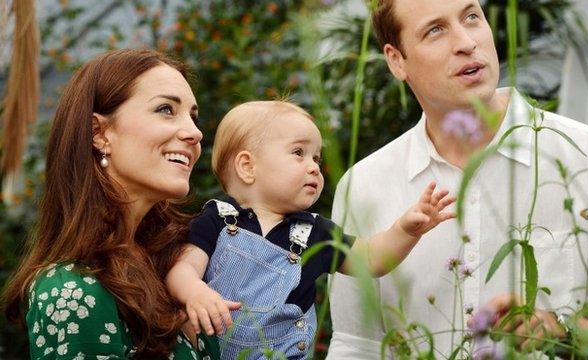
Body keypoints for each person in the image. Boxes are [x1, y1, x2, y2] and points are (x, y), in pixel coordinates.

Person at [326, 0, 588, 358]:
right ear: (397, 60)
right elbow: (356, 343)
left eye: (471, 17)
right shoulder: (364, 184)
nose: (465, 42)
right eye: (435, 30)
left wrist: (563, 332)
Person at [165, 100, 456, 359]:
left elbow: (371, 260)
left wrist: (405, 230)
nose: (314, 167)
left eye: (316, 158)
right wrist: (194, 292)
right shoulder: (217, 219)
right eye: (298, 153)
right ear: (247, 166)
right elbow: (182, 269)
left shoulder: (315, 232)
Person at [2, 49, 219, 359]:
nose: (195, 133)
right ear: (99, 133)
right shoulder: (71, 289)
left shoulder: (181, 265)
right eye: (166, 109)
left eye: (193, 116)